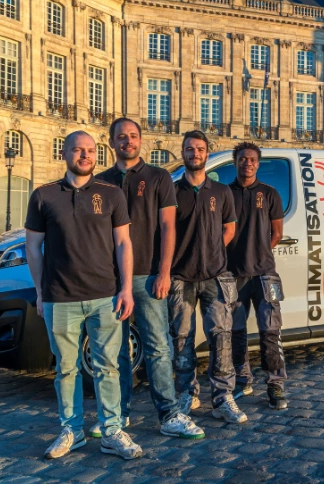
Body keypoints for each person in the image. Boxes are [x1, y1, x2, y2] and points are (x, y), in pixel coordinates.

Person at [25, 131, 142, 460]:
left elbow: (123, 244)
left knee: (108, 368)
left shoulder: (111, 194)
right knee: (66, 368)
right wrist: (39, 291)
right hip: (59, 298)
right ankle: (71, 431)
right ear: (65, 153)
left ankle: (112, 431)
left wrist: (126, 288)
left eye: (90, 151)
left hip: (105, 296)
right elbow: (32, 247)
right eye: (78, 150)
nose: (85, 155)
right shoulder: (44, 196)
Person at [93, 118, 204, 440]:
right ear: (112, 142)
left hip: (148, 276)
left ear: (140, 140)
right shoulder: (101, 182)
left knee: (157, 347)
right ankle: (118, 415)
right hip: (111, 280)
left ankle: (169, 414)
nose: (128, 141)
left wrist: (165, 272)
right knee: (117, 352)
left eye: (133, 136)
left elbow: (169, 227)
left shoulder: (158, 178)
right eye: (121, 137)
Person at [168, 130, 246, 423]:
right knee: (182, 338)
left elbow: (229, 229)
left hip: (215, 275)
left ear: (207, 153)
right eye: (190, 149)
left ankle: (223, 396)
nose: (195, 154)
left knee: (220, 336)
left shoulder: (221, 191)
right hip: (181, 275)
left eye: (200, 149)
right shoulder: (173, 192)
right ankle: (187, 392)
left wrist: (210, 250)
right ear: (184, 153)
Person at [228, 142, 288, 410]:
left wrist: (259, 252)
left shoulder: (269, 193)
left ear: (258, 164)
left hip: (265, 274)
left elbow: (277, 233)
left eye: (252, 160)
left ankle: (275, 383)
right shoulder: (226, 193)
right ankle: (243, 379)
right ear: (235, 162)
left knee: (271, 331)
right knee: (235, 332)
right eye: (242, 159)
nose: (247, 163)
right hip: (233, 275)